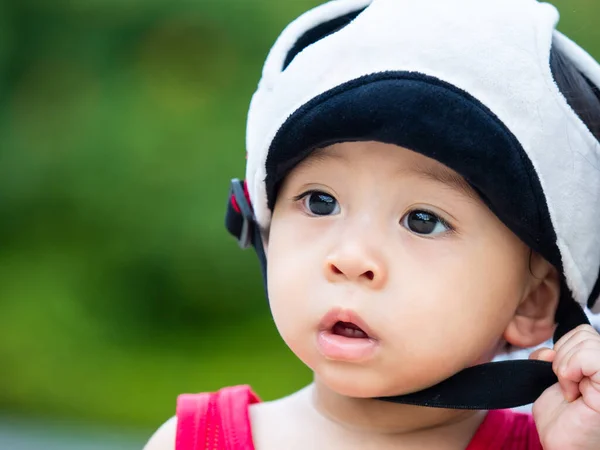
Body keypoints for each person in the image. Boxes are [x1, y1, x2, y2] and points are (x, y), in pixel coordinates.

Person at [144, 0, 600, 448]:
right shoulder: (194, 440)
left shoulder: (562, 442)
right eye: (320, 202)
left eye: (423, 221)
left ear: (533, 302)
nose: (351, 258)